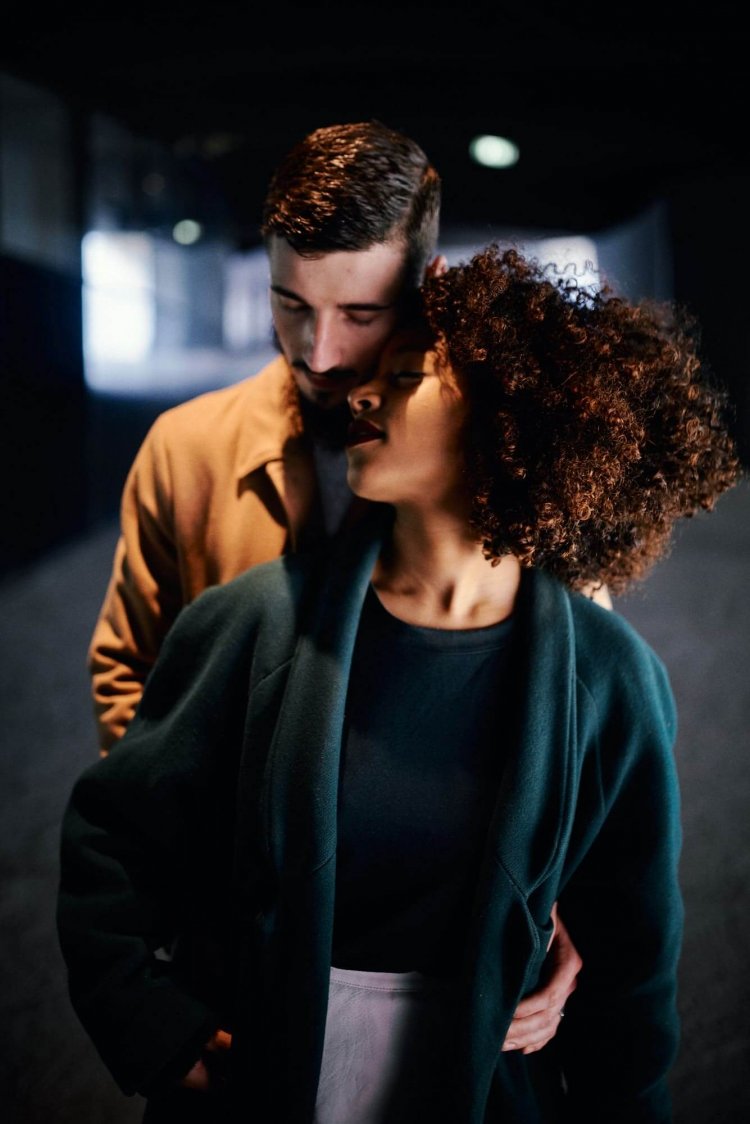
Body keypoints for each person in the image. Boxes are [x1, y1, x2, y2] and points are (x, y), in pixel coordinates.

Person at [58, 245, 739, 1122]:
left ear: (509, 423)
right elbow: (110, 845)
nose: (360, 393)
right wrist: (153, 1029)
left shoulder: (612, 683)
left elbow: (634, 970)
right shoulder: (253, 624)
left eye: (407, 377)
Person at [86, 120, 585, 1049]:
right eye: (290, 306)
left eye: (359, 316)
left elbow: (576, 727)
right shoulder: (183, 452)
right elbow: (129, 679)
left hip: (438, 954)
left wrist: (558, 902)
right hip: (241, 950)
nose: (319, 352)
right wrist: (194, 884)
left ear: (428, 288)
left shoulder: (513, 465)